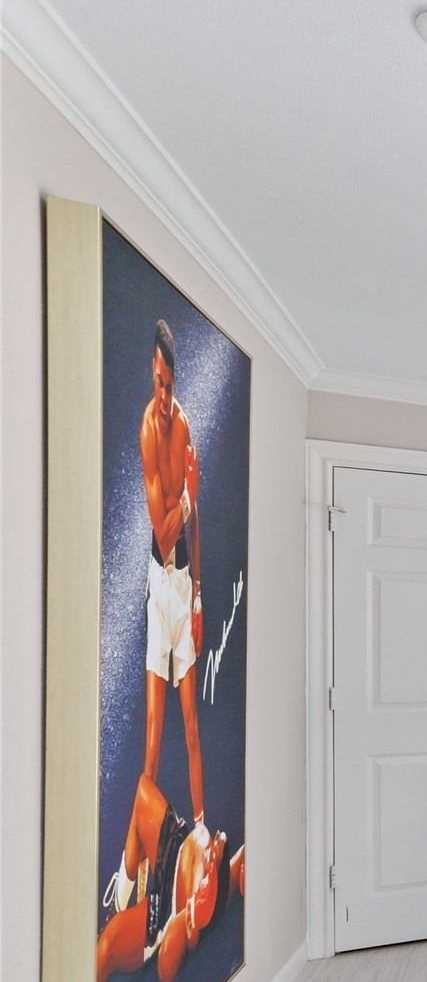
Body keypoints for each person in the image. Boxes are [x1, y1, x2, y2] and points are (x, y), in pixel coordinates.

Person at [140, 319, 206, 824]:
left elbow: (191, 521)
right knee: (154, 730)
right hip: (159, 585)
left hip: (183, 586)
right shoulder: (148, 430)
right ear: (151, 375)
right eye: (159, 384)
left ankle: (202, 829)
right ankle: (139, 865)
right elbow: (164, 533)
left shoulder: (182, 423)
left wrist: (200, 598)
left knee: (190, 725)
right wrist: (185, 501)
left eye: (171, 386)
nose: (165, 397)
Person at [96, 774, 230, 982]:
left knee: (107, 946)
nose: (218, 838)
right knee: (143, 790)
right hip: (176, 849)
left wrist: (188, 918)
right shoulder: (214, 857)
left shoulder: (196, 909)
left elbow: (166, 972)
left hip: (166, 908)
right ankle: (119, 903)